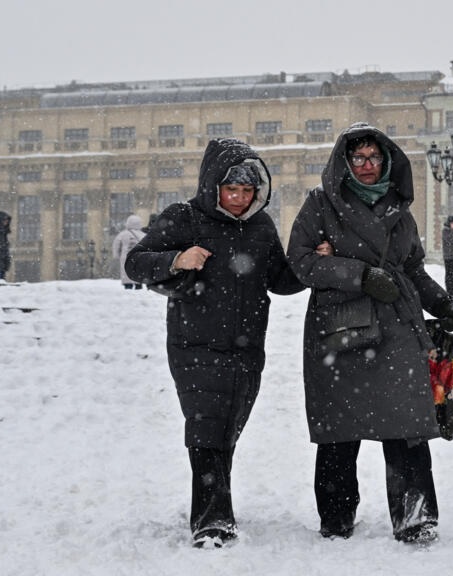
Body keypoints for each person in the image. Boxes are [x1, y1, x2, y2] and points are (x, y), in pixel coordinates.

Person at [286, 123, 453, 545]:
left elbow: (412, 269)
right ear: (345, 162)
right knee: (339, 429)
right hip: (341, 327)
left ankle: (415, 515)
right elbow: (300, 261)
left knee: (405, 422)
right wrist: (359, 275)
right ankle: (336, 516)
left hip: (397, 326)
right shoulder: (319, 204)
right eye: (358, 158)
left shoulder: (398, 208)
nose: (367, 166)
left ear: (386, 161)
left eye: (374, 157)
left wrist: (441, 304)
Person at [124, 138, 306, 549]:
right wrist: (176, 259)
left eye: (247, 191)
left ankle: (215, 504)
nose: (240, 199)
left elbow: (279, 280)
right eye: (232, 190)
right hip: (196, 345)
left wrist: (313, 263)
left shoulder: (261, 227)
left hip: (246, 349)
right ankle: (212, 522)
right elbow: (136, 262)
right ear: (213, 186)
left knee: (226, 431)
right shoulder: (185, 218)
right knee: (206, 428)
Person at [111, 215, 146, 289]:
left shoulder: (123, 234)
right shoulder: (143, 235)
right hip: (140, 257)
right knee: (138, 271)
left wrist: (116, 255)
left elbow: (116, 244)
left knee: (126, 271)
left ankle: (128, 285)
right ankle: (138, 285)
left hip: (126, 257)